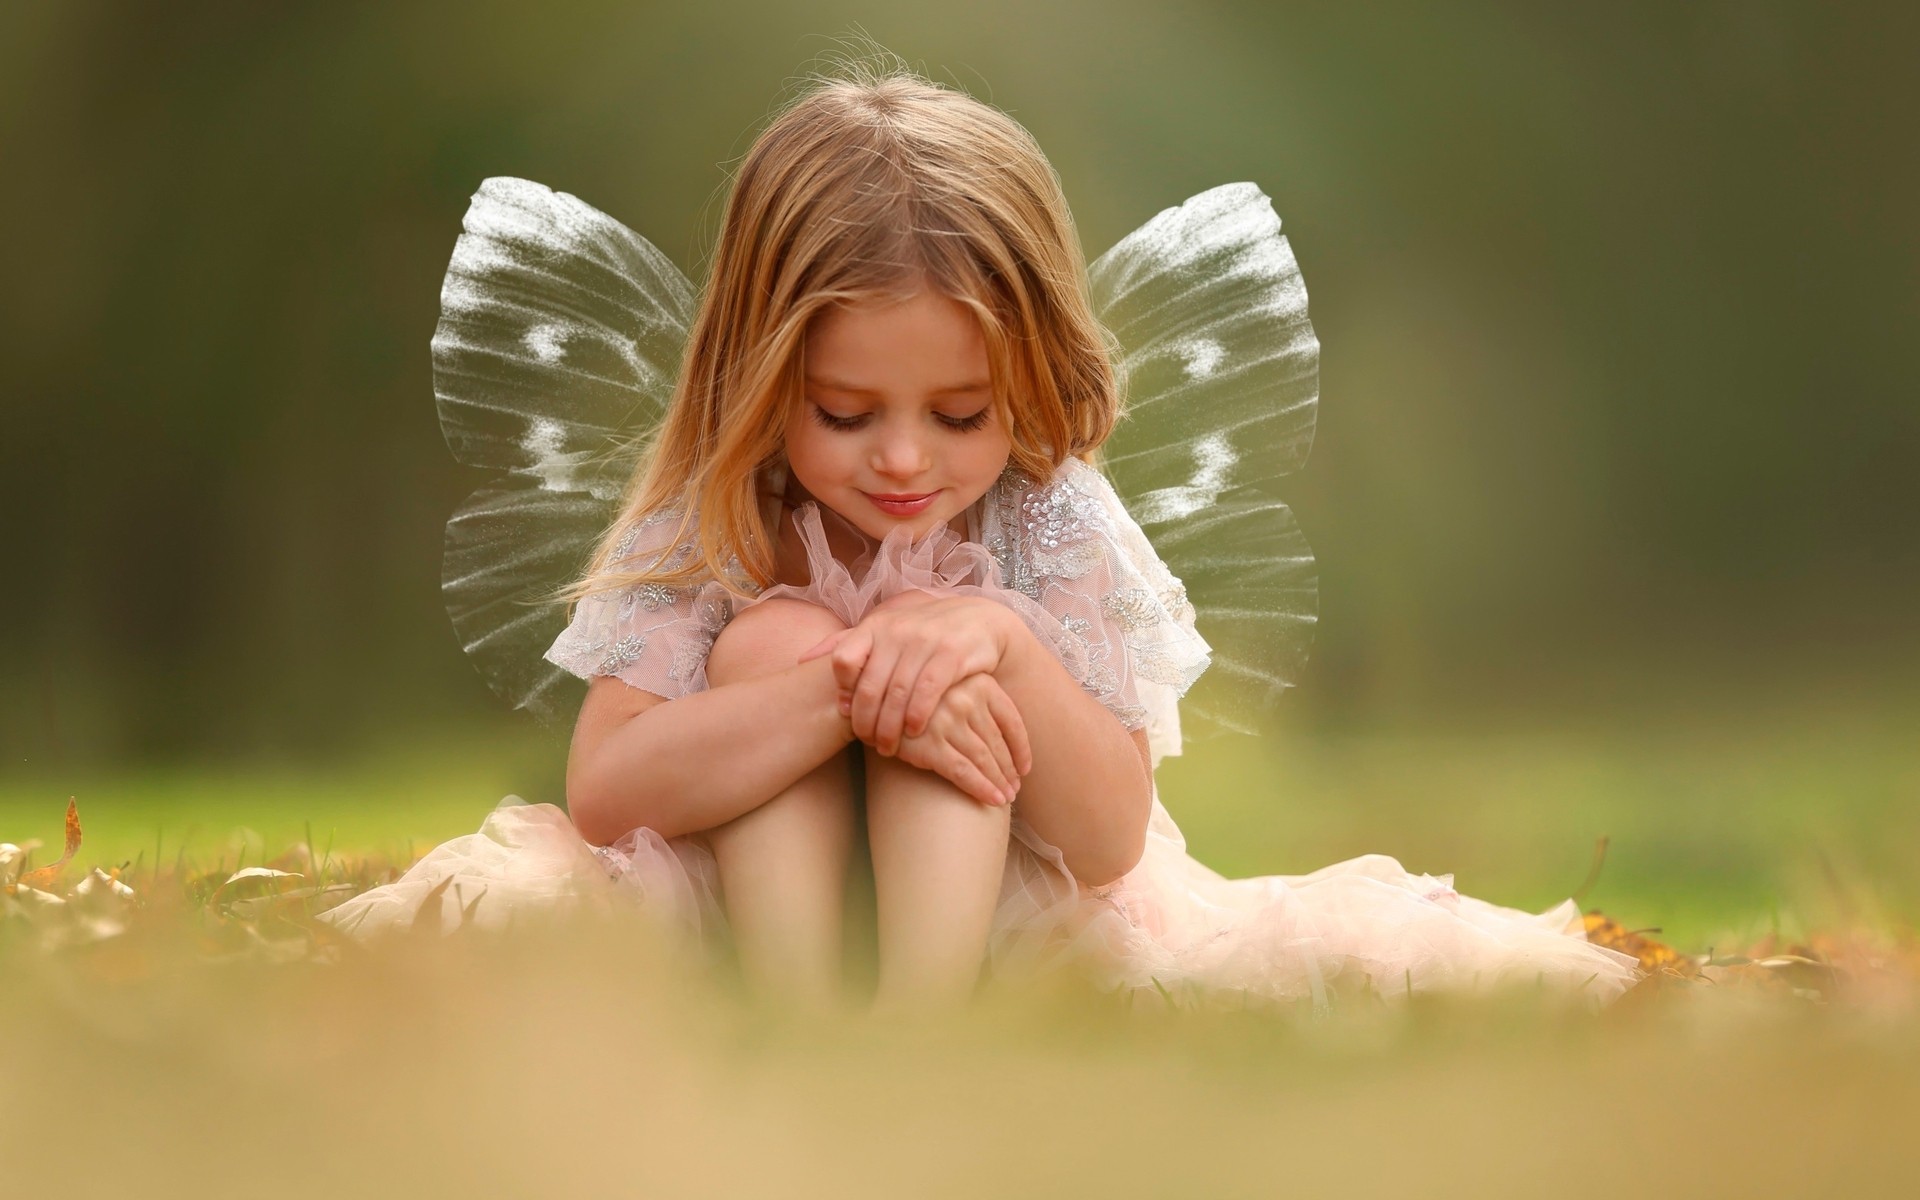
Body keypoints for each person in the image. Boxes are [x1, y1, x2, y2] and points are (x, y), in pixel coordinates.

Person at [322, 61, 1642, 1014]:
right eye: (846, 412)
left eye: (958, 412)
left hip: (990, 919)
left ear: (1030, 374)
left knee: (948, 655)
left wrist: (996, 646)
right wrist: (844, 687)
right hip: (739, 917)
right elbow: (607, 787)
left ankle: (916, 1037)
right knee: (787, 633)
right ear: (762, 376)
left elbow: (1115, 833)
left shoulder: (1044, 502)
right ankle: (795, 1027)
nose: (905, 459)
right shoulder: (719, 505)